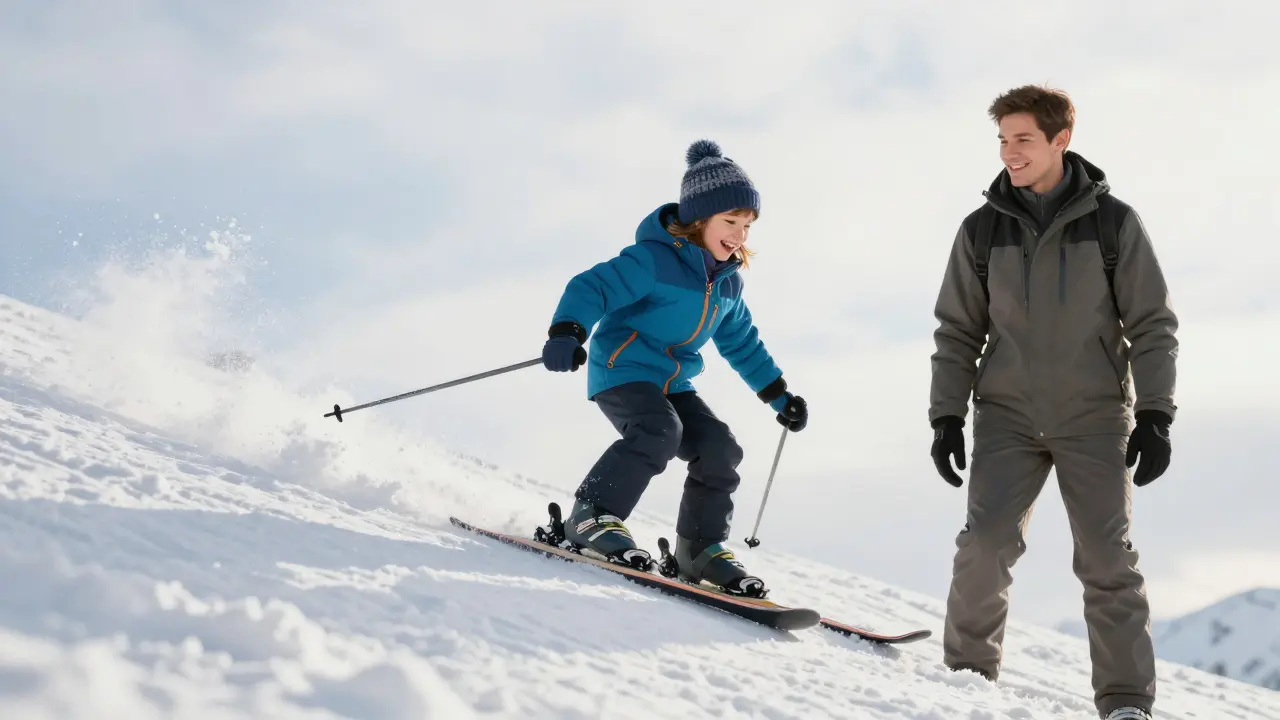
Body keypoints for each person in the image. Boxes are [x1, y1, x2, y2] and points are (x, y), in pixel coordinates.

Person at [927, 85, 1178, 720]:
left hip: (1094, 415)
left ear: (1060, 141)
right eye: (1003, 141)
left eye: (1023, 140)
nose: (1010, 153)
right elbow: (958, 330)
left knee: (1106, 556)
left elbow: (1151, 322)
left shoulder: (1113, 224)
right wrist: (946, 414)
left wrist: (1155, 413)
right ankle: (966, 681)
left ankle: (1125, 702)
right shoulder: (981, 230)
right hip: (1007, 414)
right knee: (984, 543)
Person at [540, 139, 808, 598]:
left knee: (720, 447)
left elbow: (741, 342)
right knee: (659, 431)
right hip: (623, 369)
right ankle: (592, 514)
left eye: (747, 226)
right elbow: (593, 287)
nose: (740, 235)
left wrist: (778, 395)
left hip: (672, 381)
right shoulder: (653, 260)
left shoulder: (727, 284)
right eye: (731, 222)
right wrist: (567, 331)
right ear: (699, 220)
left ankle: (699, 549)